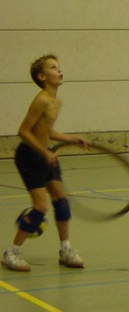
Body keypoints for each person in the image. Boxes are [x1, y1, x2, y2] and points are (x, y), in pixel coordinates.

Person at [2, 54, 89, 272]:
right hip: (31, 156)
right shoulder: (41, 100)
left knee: (61, 200)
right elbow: (23, 131)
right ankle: (12, 251)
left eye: (59, 66)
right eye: (53, 67)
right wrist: (43, 152)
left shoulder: (56, 101)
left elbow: (45, 131)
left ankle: (65, 249)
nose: (59, 70)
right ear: (42, 76)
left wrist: (71, 138)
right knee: (40, 207)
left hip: (45, 153)